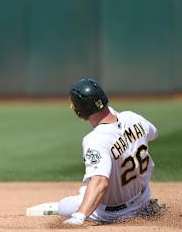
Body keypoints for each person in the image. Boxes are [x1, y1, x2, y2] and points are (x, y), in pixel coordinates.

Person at [27, 78, 161, 225]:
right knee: (96, 181)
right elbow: (153, 133)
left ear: (80, 110)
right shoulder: (133, 118)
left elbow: (100, 182)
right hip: (143, 199)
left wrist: (80, 216)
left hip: (112, 213)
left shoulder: (95, 140)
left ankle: (81, 202)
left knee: (66, 206)